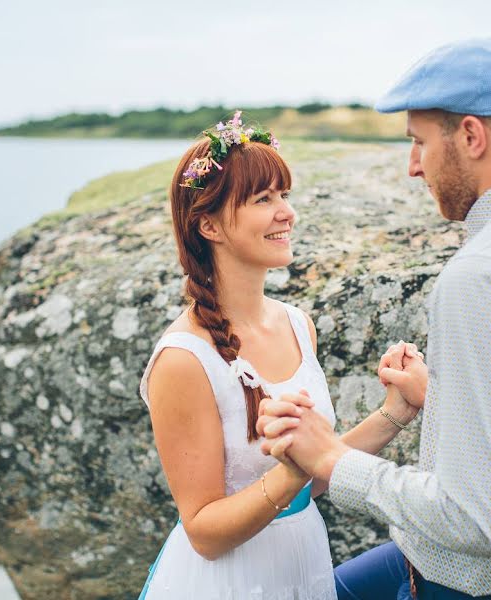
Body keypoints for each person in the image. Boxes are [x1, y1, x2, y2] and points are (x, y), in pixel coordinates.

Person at [258, 38, 491, 599]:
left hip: (476, 585)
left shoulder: (484, 275)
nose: (413, 167)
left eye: (418, 142)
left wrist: (332, 458)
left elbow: (473, 520)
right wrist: (442, 393)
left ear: (470, 135)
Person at [137, 111, 426, 599]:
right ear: (208, 224)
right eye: (263, 199)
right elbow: (204, 532)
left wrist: (396, 411)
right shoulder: (184, 359)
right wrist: (295, 469)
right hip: (227, 583)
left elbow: (314, 477)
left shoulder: (298, 324)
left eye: (284, 195)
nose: (286, 213)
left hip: (302, 564)